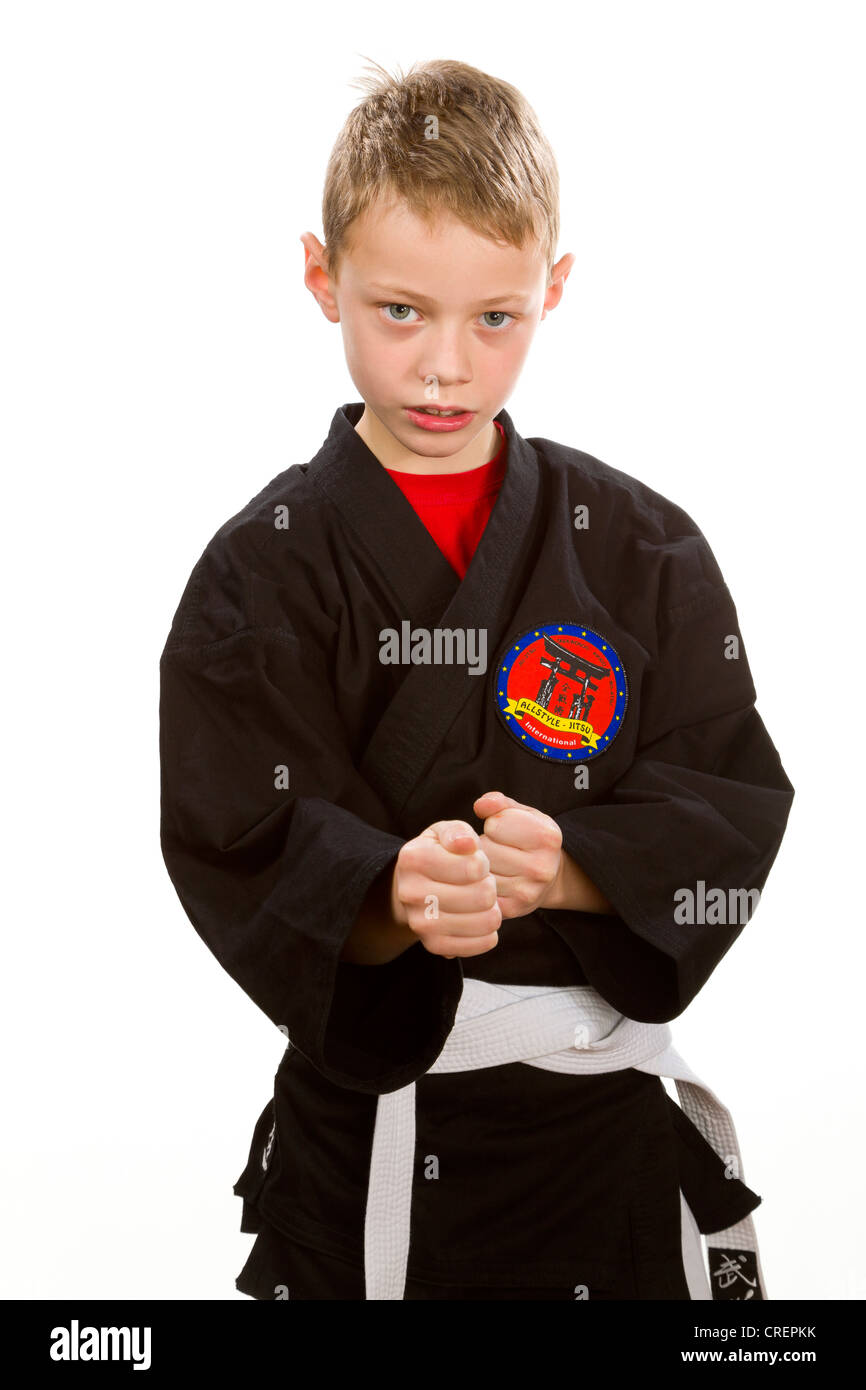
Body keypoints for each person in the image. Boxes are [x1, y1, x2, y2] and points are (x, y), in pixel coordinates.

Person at [158, 58, 795, 1301]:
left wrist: (567, 867)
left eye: (492, 318)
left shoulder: (638, 543)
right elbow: (230, 827)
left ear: (551, 291)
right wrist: (388, 890)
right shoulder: (259, 571)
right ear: (318, 275)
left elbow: (728, 795)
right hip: (373, 1149)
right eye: (399, 311)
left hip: (596, 1147)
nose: (444, 367)